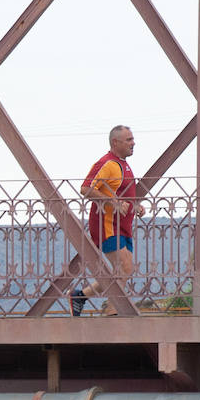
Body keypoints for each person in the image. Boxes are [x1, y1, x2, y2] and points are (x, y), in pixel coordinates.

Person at [72, 125, 138, 316]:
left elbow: (122, 193)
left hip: (123, 226)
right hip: (107, 226)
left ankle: (80, 296)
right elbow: (86, 189)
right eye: (129, 140)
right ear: (115, 142)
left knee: (124, 270)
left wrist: (135, 206)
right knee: (124, 266)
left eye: (132, 139)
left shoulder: (123, 165)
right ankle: (112, 310)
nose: (133, 143)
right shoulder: (107, 163)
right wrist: (113, 202)